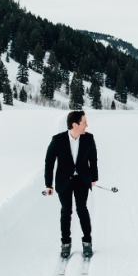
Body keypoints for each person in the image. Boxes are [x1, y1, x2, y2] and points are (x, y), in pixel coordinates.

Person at [45, 111, 98, 258]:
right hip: (63, 180)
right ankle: (66, 243)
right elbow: (49, 162)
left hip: (82, 179)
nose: (86, 125)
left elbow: (93, 159)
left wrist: (94, 178)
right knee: (66, 210)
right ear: (75, 124)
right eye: (84, 122)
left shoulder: (89, 138)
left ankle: (87, 243)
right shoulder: (57, 140)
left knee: (82, 209)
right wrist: (48, 185)